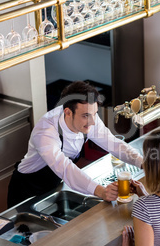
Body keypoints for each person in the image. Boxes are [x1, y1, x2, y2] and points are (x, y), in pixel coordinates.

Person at [7, 81, 143, 208]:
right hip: (26, 192)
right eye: (86, 116)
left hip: (55, 187)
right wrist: (101, 191)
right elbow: (66, 168)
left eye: (94, 114)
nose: (93, 122)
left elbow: (113, 144)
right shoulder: (46, 132)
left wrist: (143, 163)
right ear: (67, 112)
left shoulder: (88, 118)